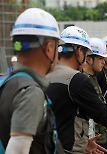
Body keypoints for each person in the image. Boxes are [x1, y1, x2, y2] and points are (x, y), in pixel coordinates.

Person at [46, 26, 107, 154]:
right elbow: (100, 111)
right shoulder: (77, 79)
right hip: (70, 150)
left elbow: (63, 117)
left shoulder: (48, 74)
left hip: (52, 146)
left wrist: (84, 142)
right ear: (79, 52)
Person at [0, 8, 64, 154]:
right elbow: (17, 150)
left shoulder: (8, 84)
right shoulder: (30, 93)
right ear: (49, 48)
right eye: (57, 48)